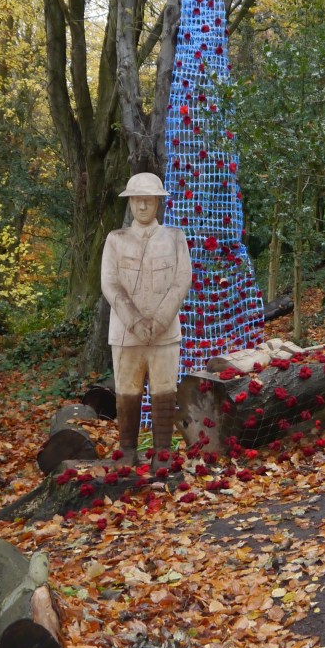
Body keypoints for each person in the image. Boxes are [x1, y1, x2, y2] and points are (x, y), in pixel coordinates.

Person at [101, 173, 192, 465]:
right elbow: (109, 283)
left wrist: (162, 320)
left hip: (165, 334)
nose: (142, 206)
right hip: (126, 334)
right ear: (129, 203)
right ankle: (128, 450)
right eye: (137, 200)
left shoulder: (175, 238)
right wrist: (135, 321)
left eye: (148, 200)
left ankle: (163, 451)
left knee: (164, 389)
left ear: (158, 202)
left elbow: (182, 280)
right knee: (127, 390)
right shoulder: (115, 240)